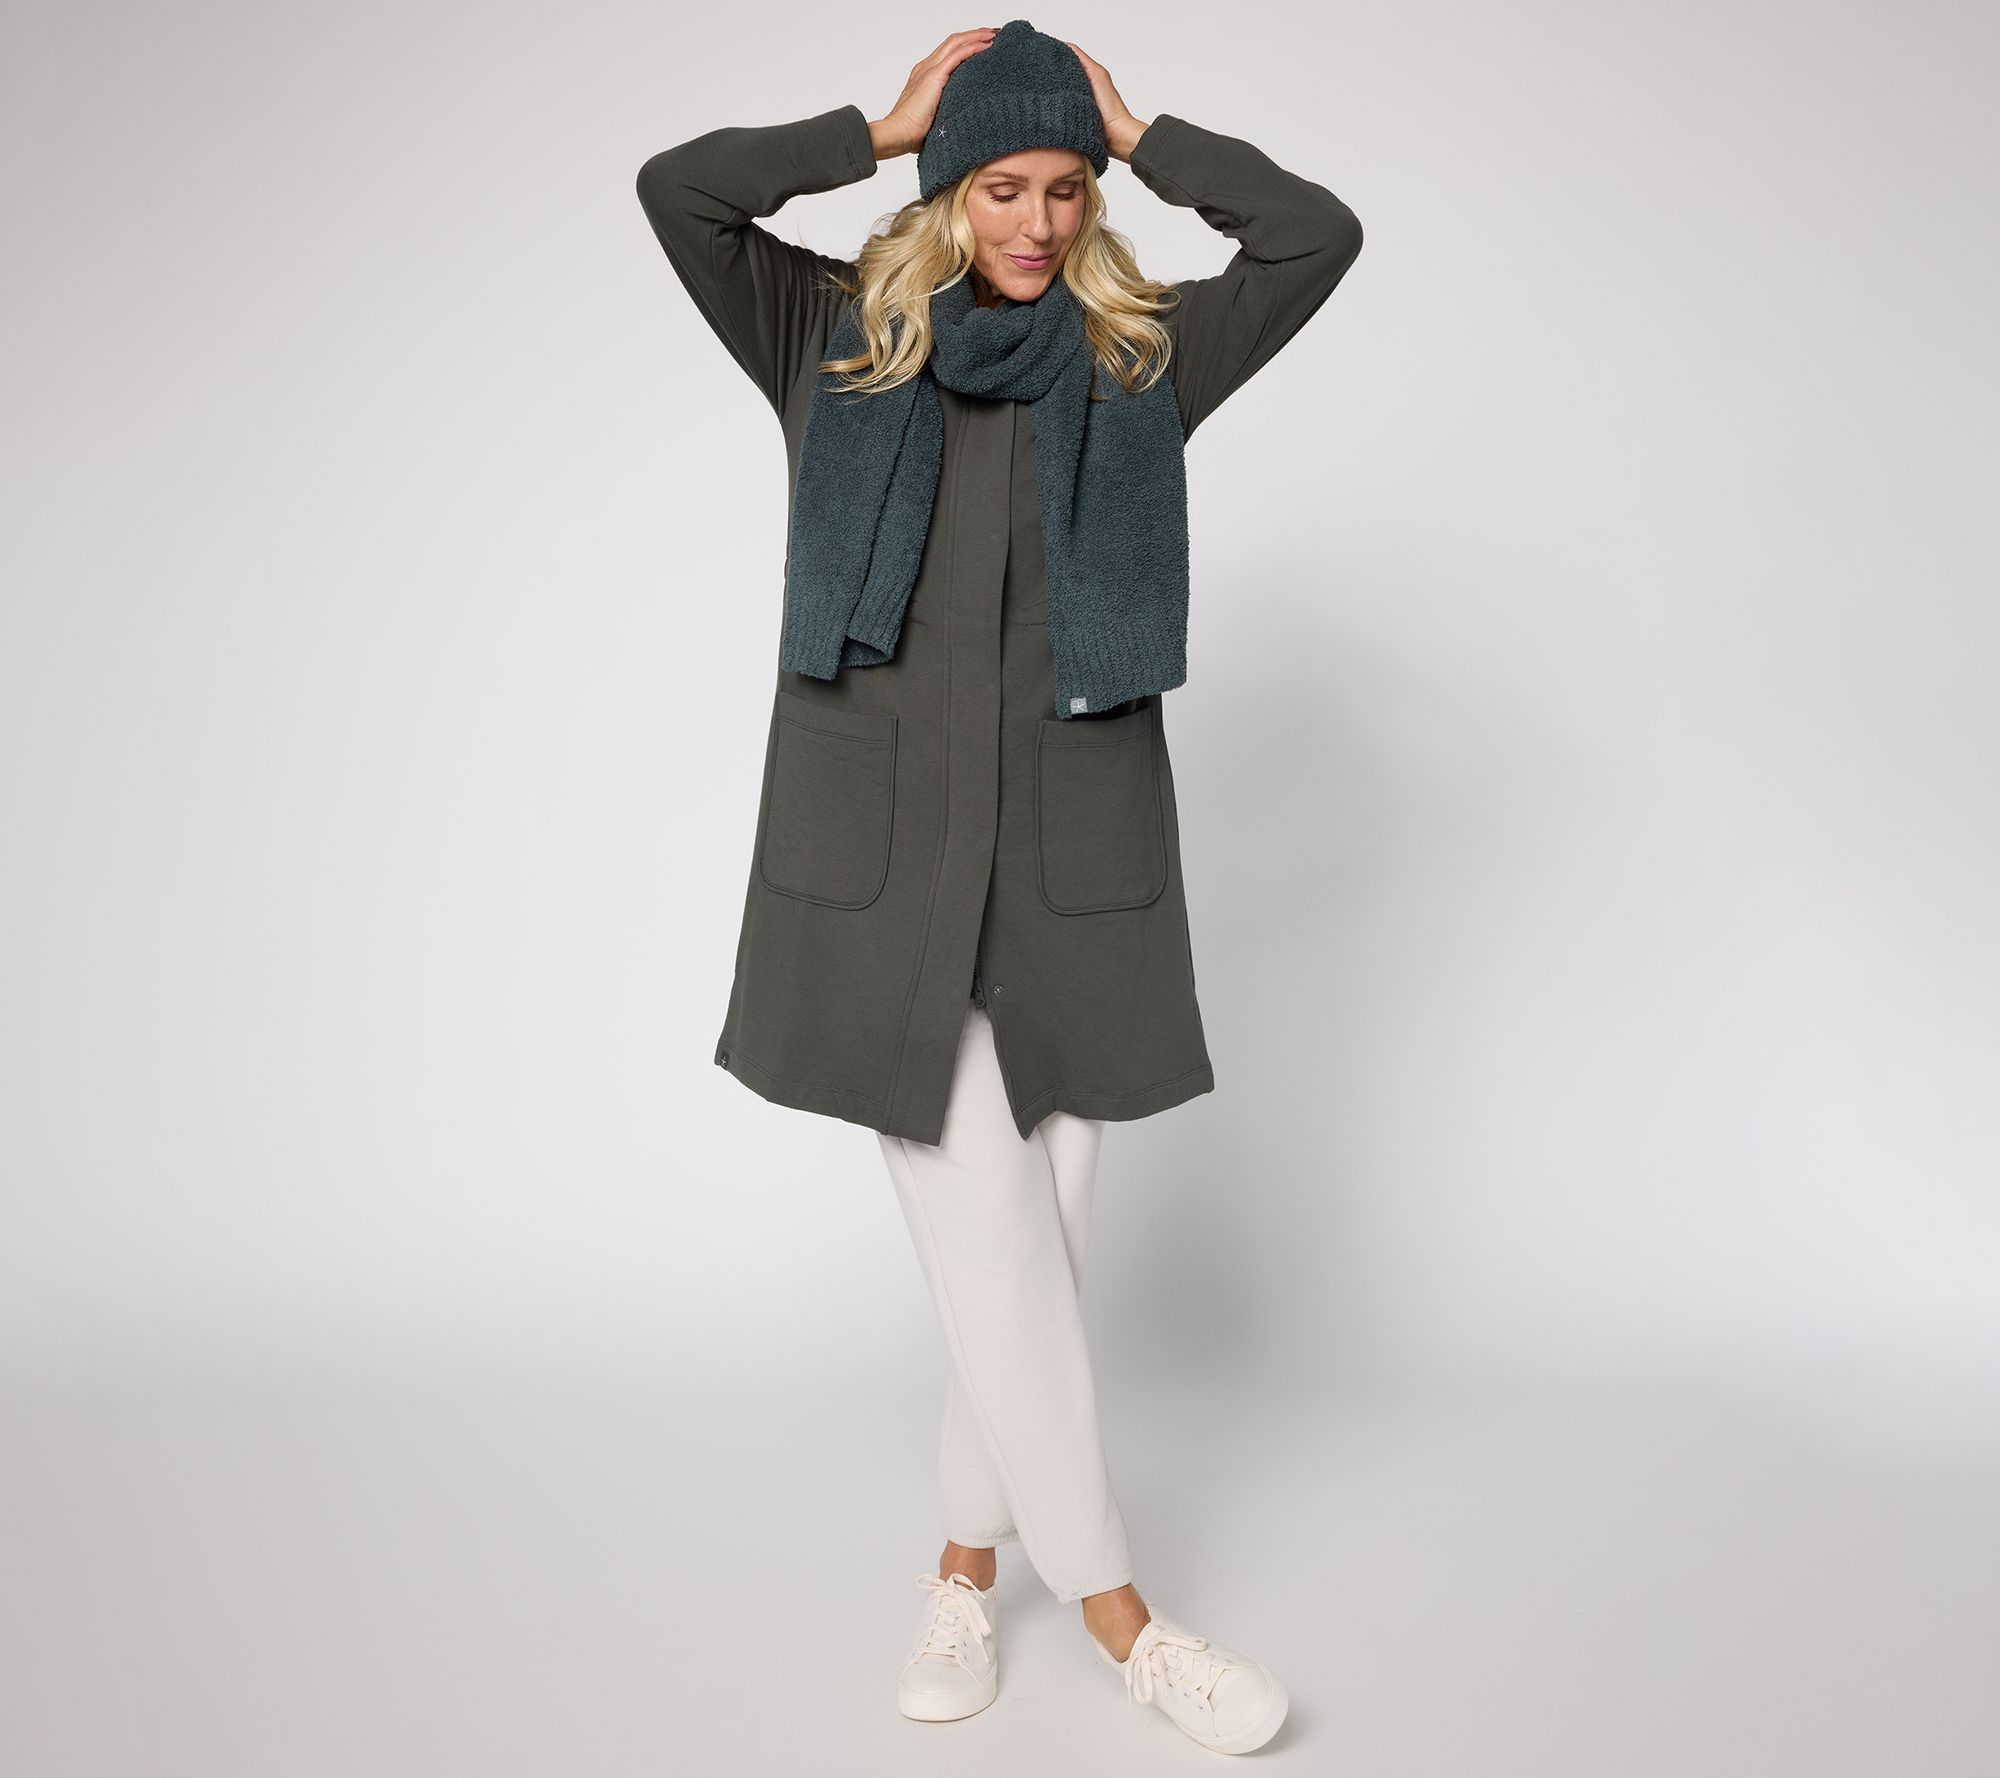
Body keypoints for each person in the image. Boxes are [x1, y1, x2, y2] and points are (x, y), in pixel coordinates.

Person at [635, 19, 1362, 1756]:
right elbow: (681, 195)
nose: (1035, 222)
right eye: (1001, 186)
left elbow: (1315, 236)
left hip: (1071, 870)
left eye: (1064, 189)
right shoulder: (831, 337)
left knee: (1033, 1252)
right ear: (947, 188)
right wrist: (877, 123)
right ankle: (1123, 1617)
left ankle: (964, 1571)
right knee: (1000, 1242)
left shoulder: (1141, 359)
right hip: (883, 870)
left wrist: (1144, 130)